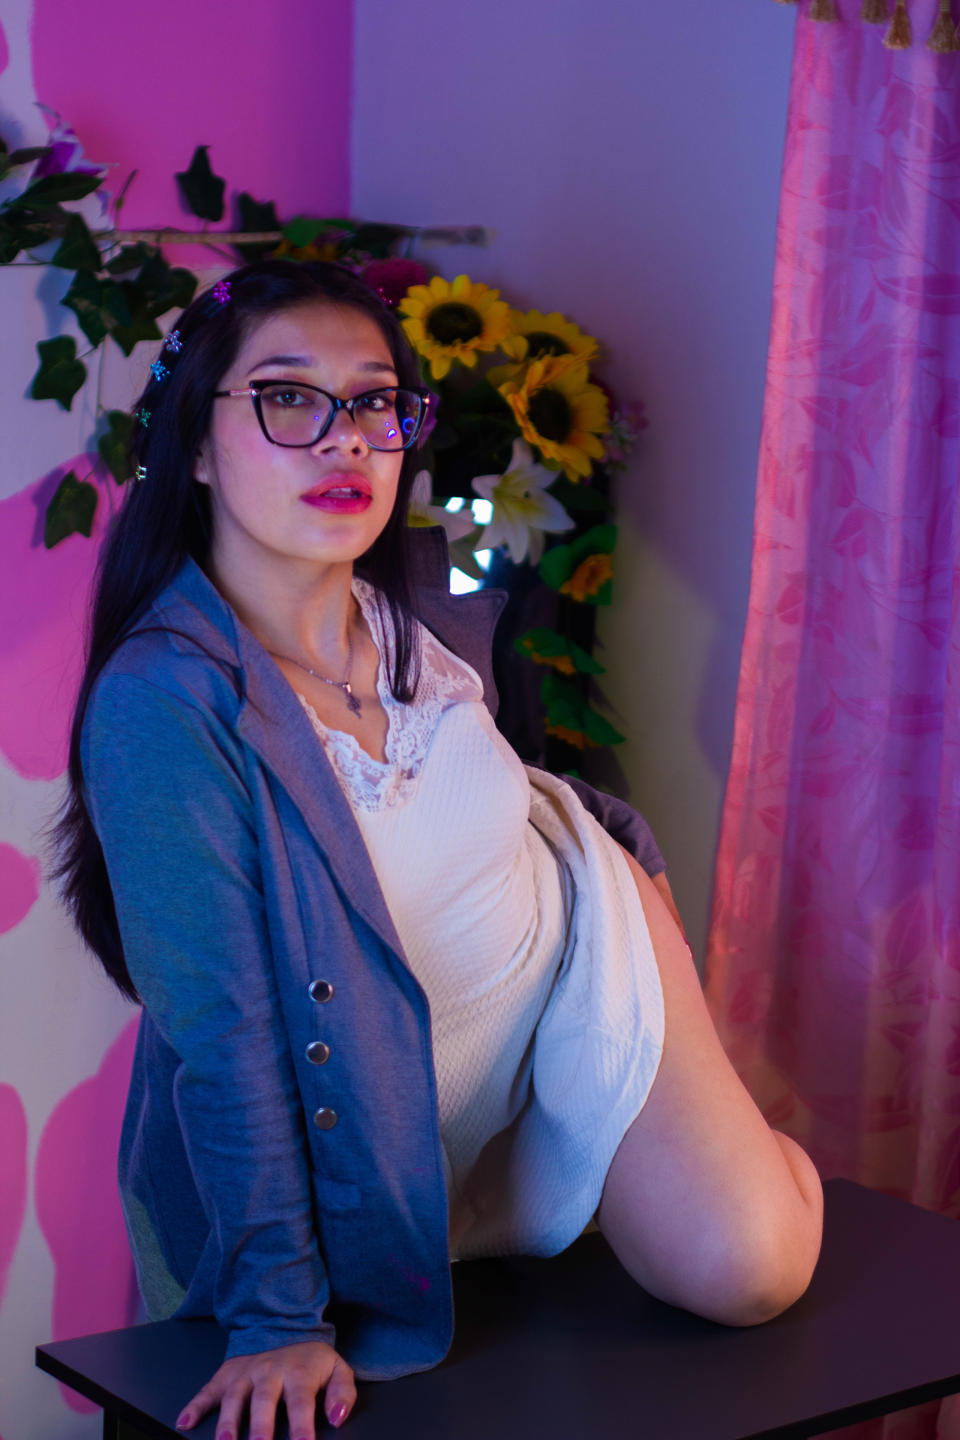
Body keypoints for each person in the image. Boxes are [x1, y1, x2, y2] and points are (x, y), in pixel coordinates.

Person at [53, 259, 823, 1440]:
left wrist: (625, 855)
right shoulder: (166, 703)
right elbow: (225, 1036)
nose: (345, 440)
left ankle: (739, 1155)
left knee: (752, 1268)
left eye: (375, 402)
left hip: (579, 960)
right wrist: (275, 1319)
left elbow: (505, 793)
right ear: (196, 445)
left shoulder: (411, 612)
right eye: (288, 397)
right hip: (379, 1124)